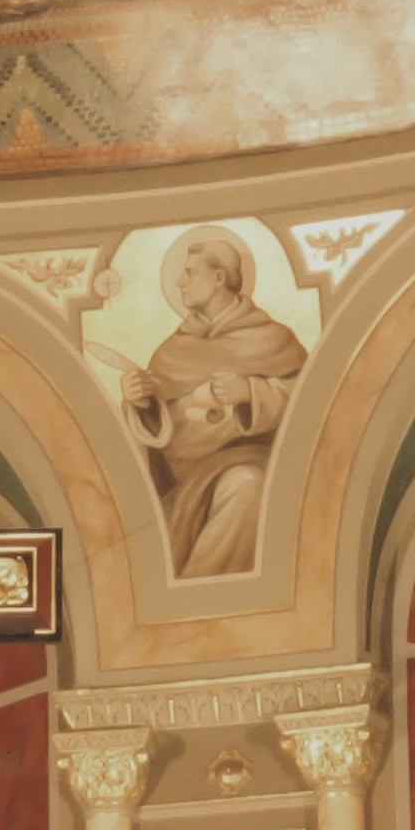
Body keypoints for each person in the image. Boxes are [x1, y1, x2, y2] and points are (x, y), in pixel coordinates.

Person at [113, 228, 303, 575]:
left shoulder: (274, 339)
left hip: (249, 464)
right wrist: (142, 405)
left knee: (246, 486)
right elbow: (159, 436)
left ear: (219, 278)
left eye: (190, 273)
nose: (180, 283)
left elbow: (309, 401)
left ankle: (197, 595)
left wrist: (250, 392)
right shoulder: (171, 352)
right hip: (184, 485)